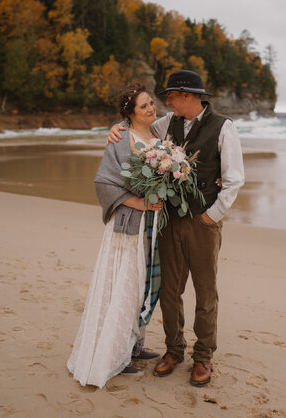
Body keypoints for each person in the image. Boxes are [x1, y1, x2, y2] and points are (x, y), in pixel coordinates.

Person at [107, 70, 244, 387]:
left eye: (171, 96)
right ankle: (174, 350)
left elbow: (234, 179)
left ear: (189, 96)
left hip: (203, 223)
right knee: (169, 291)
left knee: (206, 293)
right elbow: (136, 129)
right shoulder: (166, 124)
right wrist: (116, 129)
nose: (165, 102)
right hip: (168, 221)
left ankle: (203, 357)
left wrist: (212, 215)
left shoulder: (224, 127)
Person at [67, 83, 163, 388]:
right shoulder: (122, 138)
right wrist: (138, 202)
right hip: (128, 224)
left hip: (153, 223)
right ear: (130, 113)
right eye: (144, 106)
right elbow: (104, 182)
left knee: (143, 285)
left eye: (151, 103)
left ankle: (134, 344)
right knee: (125, 286)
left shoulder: (158, 134)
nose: (152, 109)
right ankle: (116, 356)